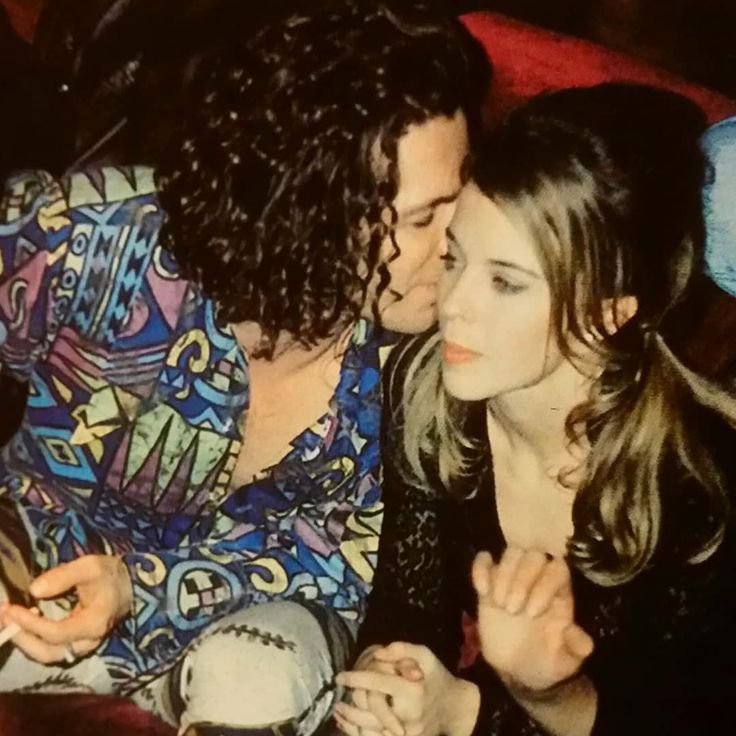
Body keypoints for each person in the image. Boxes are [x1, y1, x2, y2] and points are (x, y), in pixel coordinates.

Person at [0, 1, 490, 734]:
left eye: (462, 197)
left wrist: (140, 588)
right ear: (308, 207)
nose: (459, 243)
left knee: (256, 677)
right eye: (424, 217)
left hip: (248, 632)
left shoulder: (429, 360)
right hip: (39, 568)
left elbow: (336, 565)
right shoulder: (101, 239)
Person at [337, 83, 736, 736]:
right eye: (454, 258)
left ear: (608, 312)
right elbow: (409, 604)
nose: (451, 304)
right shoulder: (425, 388)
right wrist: (393, 678)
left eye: (505, 282)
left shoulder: (701, 494)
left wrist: (528, 698)